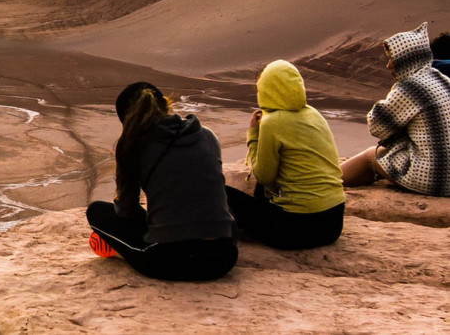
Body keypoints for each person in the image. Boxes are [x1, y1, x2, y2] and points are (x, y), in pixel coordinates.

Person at [86, 82, 237, 281]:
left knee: (96, 211)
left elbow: (126, 211)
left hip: (171, 261)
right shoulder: (207, 135)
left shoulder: (134, 147)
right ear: (166, 104)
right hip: (224, 257)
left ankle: (120, 251)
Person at [225, 60, 345, 249]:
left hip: (296, 229)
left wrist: (254, 134)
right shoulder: (314, 113)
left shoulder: (273, 122)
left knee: (222, 193)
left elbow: (264, 176)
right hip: (333, 223)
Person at [341, 22, 450, 196]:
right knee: (390, 157)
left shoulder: (408, 87)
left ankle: (324, 183)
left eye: (392, 59)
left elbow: (377, 127)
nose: (388, 66)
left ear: (405, 60)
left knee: (371, 155)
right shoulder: (442, 79)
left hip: (435, 179)